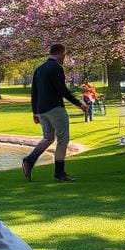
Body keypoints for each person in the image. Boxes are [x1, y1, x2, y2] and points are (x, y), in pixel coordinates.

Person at [23, 44, 87, 182]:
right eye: (64, 55)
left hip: (41, 110)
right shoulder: (57, 68)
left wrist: (35, 111)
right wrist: (79, 104)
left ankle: (29, 160)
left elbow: (34, 92)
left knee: (48, 138)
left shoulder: (39, 69)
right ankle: (60, 172)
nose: (64, 57)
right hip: (55, 108)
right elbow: (62, 90)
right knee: (63, 139)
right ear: (61, 53)